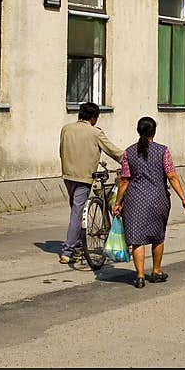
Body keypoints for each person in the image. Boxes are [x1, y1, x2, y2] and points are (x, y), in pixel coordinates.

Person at [111, 116, 185, 288]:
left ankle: (139, 276)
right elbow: (171, 176)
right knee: (157, 236)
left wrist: (118, 203)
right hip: (158, 199)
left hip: (134, 200)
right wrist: (183, 198)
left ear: (138, 131)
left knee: (137, 239)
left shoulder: (129, 152)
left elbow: (124, 180)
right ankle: (156, 271)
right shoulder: (163, 151)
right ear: (154, 131)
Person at [59, 102, 123, 264]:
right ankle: (68, 251)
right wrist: (131, 160)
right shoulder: (95, 133)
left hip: (68, 175)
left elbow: (61, 151)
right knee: (77, 213)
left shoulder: (66, 129)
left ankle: (79, 246)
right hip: (84, 177)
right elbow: (114, 151)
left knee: (76, 210)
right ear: (94, 117)